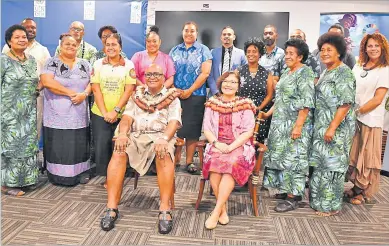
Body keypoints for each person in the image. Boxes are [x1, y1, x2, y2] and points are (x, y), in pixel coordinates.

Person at [100, 64, 181, 234]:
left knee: (163, 153)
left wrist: (164, 139)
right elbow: (127, 118)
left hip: (161, 136)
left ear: (164, 77)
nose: (152, 77)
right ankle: (111, 208)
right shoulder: (136, 95)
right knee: (119, 151)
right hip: (137, 136)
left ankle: (165, 209)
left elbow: (173, 122)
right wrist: (123, 134)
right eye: (149, 74)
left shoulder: (172, 97)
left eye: (157, 74)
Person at [263, 39, 315, 212]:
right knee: (282, 157)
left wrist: (298, 126)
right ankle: (285, 189)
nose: (287, 56)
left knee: (294, 159)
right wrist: (267, 114)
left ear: (300, 56)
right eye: (286, 53)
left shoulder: (305, 73)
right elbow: (280, 99)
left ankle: (294, 196)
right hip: (280, 123)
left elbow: (306, 102)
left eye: (291, 53)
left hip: (295, 123)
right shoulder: (286, 72)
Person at [309, 33, 356, 217]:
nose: (324, 53)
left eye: (329, 50)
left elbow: (345, 103)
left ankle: (331, 205)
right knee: (321, 165)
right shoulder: (327, 71)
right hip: (323, 125)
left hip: (336, 128)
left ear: (339, 52)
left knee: (332, 166)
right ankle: (319, 201)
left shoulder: (344, 72)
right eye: (322, 50)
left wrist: (332, 127)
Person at [202, 71, 256, 229]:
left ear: (239, 86)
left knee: (231, 163)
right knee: (214, 162)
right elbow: (207, 128)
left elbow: (248, 131)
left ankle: (216, 210)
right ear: (220, 83)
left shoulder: (245, 104)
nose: (229, 85)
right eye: (226, 81)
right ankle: (222, 209)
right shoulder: (213, 102)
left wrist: (231, 147)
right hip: (217, 143)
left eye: (233, 82)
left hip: (239, 145)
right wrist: (217, 144)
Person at [40, 34, 92, 186]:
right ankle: (57, 176)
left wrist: (84, 94)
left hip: (79, 114)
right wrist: (70, 93)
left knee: (78, 143)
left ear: (78, 47)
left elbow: (93, 82)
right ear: (60, 46)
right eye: (67, 44)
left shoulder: (85, 64)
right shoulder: (51, 63)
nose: (70, 46)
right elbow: (46, 81)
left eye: (74, 44)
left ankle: (81, 173)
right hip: (56, 114)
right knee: (60, 143)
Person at [346, 33, 389, 204]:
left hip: (371, 119)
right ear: (364, 48)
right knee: (355, 154)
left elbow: (378, 99)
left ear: (383, 48)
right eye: (370, 45)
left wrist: (358, 111)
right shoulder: (358, 66)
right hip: (354, 118)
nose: (373, 49)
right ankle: (355, 187)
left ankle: (362, 192)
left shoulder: (385, 69)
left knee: (367, 156)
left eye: (377, 46)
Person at [169, 21, 212, 174]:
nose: (189, 33)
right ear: (182, 32)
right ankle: (174, 161)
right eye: (186, 30)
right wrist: (175, 90)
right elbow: (169, 72)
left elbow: (205, 73)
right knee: (176, 129)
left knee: (192, 131)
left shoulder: (204, 50)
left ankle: (188, 163)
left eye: (192, 31)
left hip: (196, 95)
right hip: (175, 95)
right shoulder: (174, 50)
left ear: (196, 33)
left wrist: (189, 90)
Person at [1, 25, 39, 196]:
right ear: (9, 41)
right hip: (9, 113)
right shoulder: (3, 60)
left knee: (27, 145)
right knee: (11, 146)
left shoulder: (30, 60)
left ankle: (25, 180)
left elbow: (34, 83)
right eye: (17, 37)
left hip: (29, 111)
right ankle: (7, 184)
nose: (22, 40)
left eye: (24, 37)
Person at [91, 33, 136, 178]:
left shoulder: (129, 65)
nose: (110, 48)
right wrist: (105, 113)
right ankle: (106, 178)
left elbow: (129, 90)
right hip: (100, 113)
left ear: (120, 47)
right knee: (102, 146)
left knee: (119, 146)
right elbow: (95, 89)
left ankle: (119, 175)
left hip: (122, 114)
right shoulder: (97, 64)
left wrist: (116, 111)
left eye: (114, 45)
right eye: (108, 45)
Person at [2, 18, 51, 148]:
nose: (30, 30)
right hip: (9, 106)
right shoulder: (5, 54)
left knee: (32, 135)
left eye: (33, 27)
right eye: (18, 36)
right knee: (11, 139)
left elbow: (47, 75)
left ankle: (31, 164)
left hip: (34, 101)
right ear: (10, 41)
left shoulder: (40, 52)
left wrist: (35, 90)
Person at [237, 37, 273, 143]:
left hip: (260, 112)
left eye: (254, 51)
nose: (251, 54)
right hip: (241, 111)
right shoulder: (238, 71)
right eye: (248, 51)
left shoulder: (267, 73)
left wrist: (258, 108)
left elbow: (269, 95)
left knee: (257, 143)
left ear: (260, 54)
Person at [207, 26, 247, 96]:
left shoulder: (241, 54)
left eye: (229, 34)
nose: (226, 36)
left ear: (234, 37)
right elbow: (210, 75)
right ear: (221, 37)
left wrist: (236, 91)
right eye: (224, 34)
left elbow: (245, 75)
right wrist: (216, 92)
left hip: (234, 95)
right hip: (215, 95)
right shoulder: (213, 52)